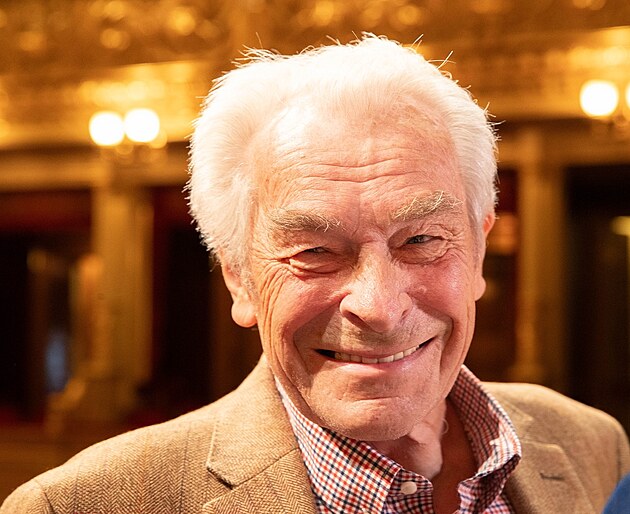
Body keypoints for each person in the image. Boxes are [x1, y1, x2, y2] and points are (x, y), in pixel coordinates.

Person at [2, 35, 629, 514]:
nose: (378, 306)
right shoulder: (80, 505)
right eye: (315, 252)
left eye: (420, 240)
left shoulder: (589, 443)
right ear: (239, 276)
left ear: (478, 252)